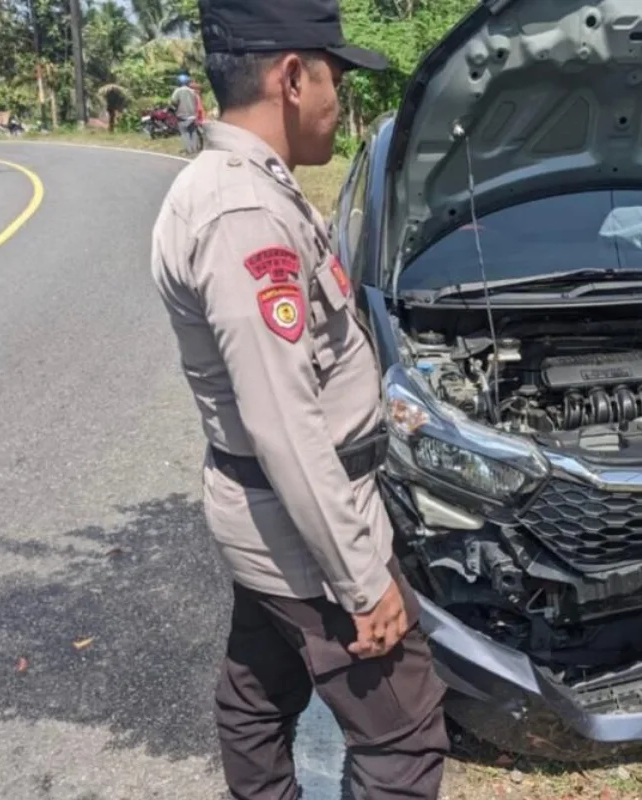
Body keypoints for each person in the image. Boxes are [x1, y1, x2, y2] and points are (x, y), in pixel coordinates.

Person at [148, 0, 450, 796]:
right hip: (308, 533)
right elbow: (283, 424)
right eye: (334, 80)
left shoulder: (235, 187)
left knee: (256, 698)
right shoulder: (244, 215)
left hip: (275, 519)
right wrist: (362, 580)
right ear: (291, 78)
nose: (337, 101)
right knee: (405, 735)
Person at [170, 73, 202, 154]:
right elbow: (196, 102)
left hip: (182, 116)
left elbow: (173, 102)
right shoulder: (192, 91)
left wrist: (173, 110)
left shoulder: (177, 91)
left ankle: (189, 150)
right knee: (193, 132)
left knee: (185, 133)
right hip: (193, 115)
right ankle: (195, 149)